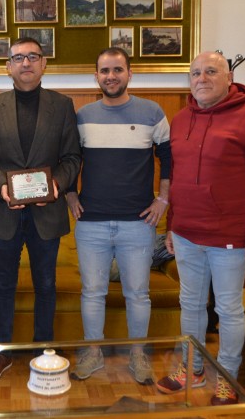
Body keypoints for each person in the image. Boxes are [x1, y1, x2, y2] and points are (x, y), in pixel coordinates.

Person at [155, 51, 245, 405]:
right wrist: (171, 226)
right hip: (185, 235)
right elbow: (176, 180)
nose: (201, 78)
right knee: (190, 304)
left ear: (229, 78)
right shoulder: (180, 120)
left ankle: (227, 379)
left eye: (211, 71)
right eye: (195, 73)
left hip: (230, 239)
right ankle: (191, 369)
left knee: (228, 310)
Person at [0, 37, 81, 382]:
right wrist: (1, 187)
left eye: (33, 56)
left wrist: (56, 185)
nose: (26, 63)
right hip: (5, 213)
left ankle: (43, 348)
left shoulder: (62, 105)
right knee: (3, 284)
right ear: (8, 66)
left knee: (45, 284)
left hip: (46, 214)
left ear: (44, 63)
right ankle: (1, 351)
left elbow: (72, 158)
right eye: (18, 57)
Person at [65, 47, 171, 385]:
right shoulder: (82, 116)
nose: (111, 76)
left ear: (129, 74)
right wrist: (69, 194)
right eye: (104, 70)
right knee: (92, 292)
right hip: (91, 223)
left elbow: (169, 161)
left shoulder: (152, 112)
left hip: (138, 224)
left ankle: (138, 354)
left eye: (117, 70)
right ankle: (92, 352)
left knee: (138, 294)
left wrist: (163, 200)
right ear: (95, 76)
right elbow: (68, 159)